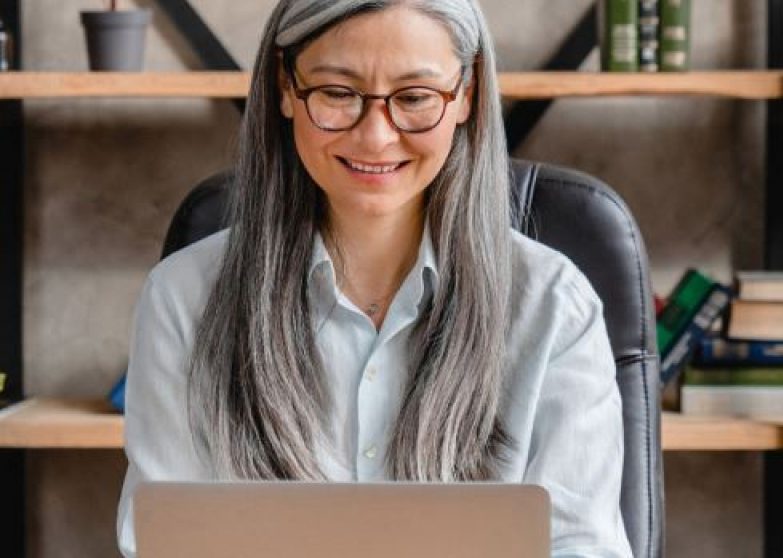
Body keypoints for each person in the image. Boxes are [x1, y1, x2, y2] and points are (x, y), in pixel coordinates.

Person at [116, 1, 632, 556]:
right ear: (285, 88)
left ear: (467, 95)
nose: (376, 137)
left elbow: (584, 546)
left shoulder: (555, 306)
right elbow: (164, 543)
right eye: (338, 94)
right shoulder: (183, 299)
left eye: (414, 98)